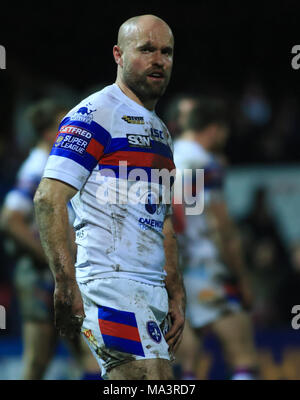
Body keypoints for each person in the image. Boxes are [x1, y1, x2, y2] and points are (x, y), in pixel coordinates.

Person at [33, 15, 185, 380]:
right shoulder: (95, 113)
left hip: (150, 290)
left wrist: (176, 291)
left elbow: (162, 218)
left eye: (166, 52)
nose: (158, 59)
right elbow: (48, 198)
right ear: (118, 54)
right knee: (151, 380)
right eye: (146, 49)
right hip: (109, 282)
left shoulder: (160, 131)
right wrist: (66, 282)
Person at [1, 99, 100, 380]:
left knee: (87, 350)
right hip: (40, 276)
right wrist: (52, 257)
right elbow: (10, 219)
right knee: (38, 362)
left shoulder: (57, 162)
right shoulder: (36, 166)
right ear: (48, 132)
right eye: (64, 124)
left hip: (61, 274)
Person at [173, 98, 259, 380]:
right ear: (214, 130)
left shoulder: (168, 154)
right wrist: (242, 278)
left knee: (189, 364)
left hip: (174, 269)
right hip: (206, 266)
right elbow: (223, 229)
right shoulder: (205, 163)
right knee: (244, 354)